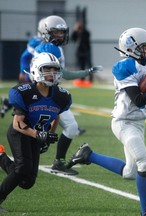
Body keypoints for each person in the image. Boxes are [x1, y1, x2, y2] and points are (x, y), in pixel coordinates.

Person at [66, 28, 146, 215]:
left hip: (138, 123)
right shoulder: (124, 67)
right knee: (145, 164)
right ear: (131, 48)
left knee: (129, 173)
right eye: (145, 47)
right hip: (124, 122)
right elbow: (138, 99)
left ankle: (88, 155)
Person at [0, 52, 71, 212]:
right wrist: (39, 135)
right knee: (22, 168)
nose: (52, 73)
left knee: (27, 182)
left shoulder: (61, 96)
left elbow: (56, 115)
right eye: (47, 69)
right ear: (36, 70)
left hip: (38, 135)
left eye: (55, 69)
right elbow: (18, 123)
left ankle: (1, 157)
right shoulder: (24, 92)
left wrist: (48, 136)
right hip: (20, 132)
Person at [33, 15, 102, 175]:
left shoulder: (50, 47)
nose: (61, 35)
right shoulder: (50, 49)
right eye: (56, 32)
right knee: (38, 134)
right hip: (45, 93)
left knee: (67, 128)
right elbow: (66, 75)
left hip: (49, 91)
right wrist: (88, 71)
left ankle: (57, 161)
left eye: (62, 32)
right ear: (46, 32)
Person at [71, 21, 93, 87]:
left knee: (89, 66)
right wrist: (75, 31)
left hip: (86, 51)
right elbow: (73, 38)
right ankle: (82, 79)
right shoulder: (76, 32)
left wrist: (80, 33)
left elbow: (85, 39)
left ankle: (90, 79)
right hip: (79, 52)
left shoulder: (86, 32)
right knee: (81, 67)